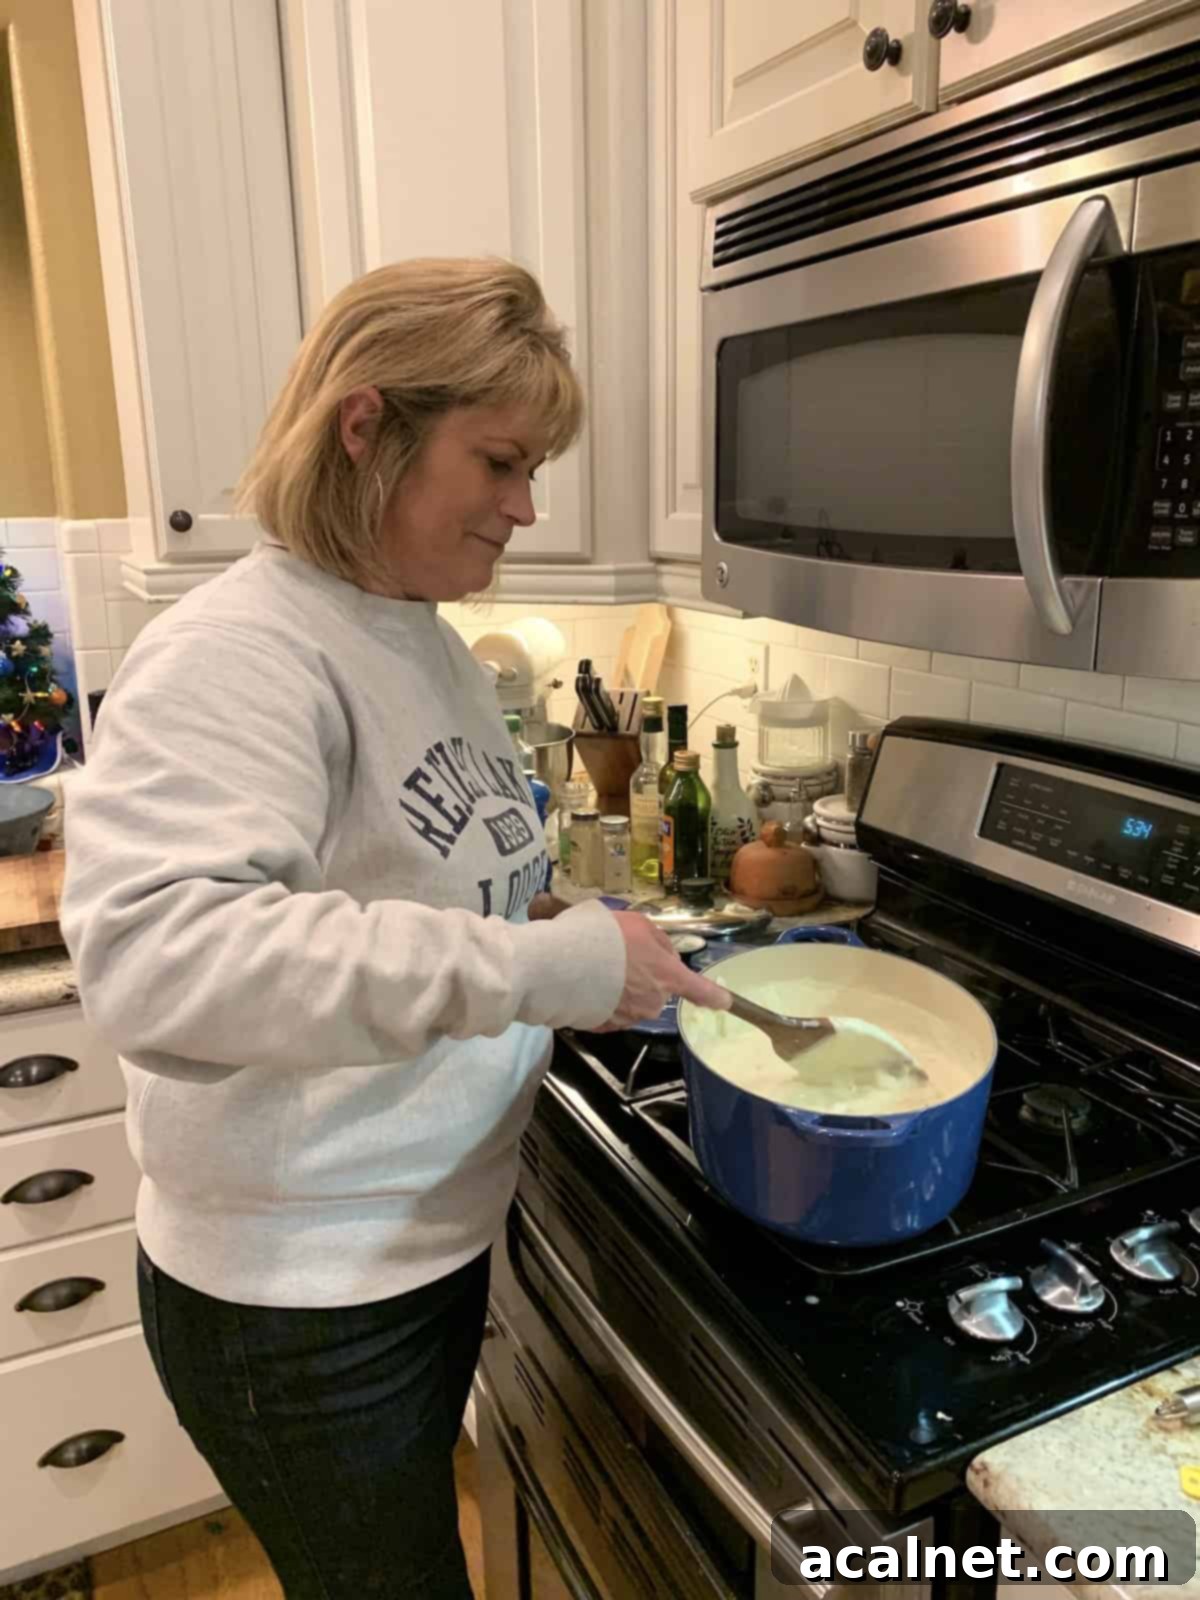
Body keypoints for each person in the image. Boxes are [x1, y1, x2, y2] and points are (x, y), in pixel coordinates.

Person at [60, 258, 730, 1600]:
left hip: (406, 1255)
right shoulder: (240, 652)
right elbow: (160, 957)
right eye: (499, 461)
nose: (527, 507)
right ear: (367, 430)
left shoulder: (417, 637)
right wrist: (546, 965)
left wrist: (553, 915)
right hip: (299, 1307)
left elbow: (416, 891)